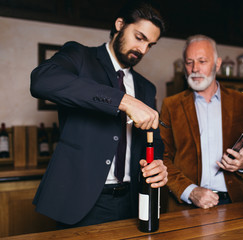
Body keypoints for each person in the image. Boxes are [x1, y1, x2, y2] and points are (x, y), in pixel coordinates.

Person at [30, 1, 168, 228]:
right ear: (119, 24)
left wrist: (159, 165)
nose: (143, 50)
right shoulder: (79, 56)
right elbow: (42, 80)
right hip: (81, 202)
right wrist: (124, 101)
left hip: (134, 201)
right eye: (139, 37)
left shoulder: (147, 88)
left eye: (150, 45)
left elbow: (153, 140)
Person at [159, 35, 243, 211]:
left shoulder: (241, 101)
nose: (194, 69)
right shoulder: (171, 105)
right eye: (189, 62)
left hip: (235, 204)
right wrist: (190, 191)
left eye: (202, 61)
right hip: (185, 206)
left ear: (217, 64)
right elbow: (161, 156)